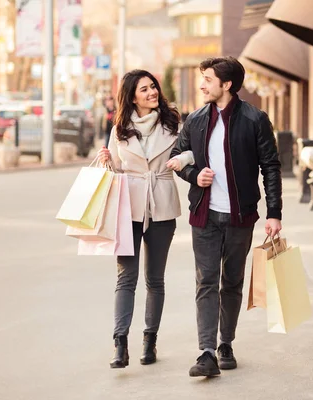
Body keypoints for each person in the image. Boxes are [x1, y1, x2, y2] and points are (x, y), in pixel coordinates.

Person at [170, 56, 283, 378]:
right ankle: (206, 352)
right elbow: (179, 159)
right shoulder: (195, 120)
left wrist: (274, 213)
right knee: (206, 281)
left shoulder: (254, 119)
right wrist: (194, 176)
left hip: (240, 215)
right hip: (204, 215)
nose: (202, 84)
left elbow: (270, 167)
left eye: (207, 78)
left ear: (227, 84)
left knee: (231, 282)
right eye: (202, 77)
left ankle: (226, 343)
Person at [97, 69, 194, 369]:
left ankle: (149, 340)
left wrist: (183, 159)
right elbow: (116, 171)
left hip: (163, 205)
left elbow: (193, 152)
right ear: (132, 97)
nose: (152, 92)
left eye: (153, 87)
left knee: (155, 279)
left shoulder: (172, 123)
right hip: (129, 208)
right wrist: (107, 162)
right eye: (144, 89)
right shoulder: (119, 130)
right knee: (125, 279)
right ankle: (120, 344)